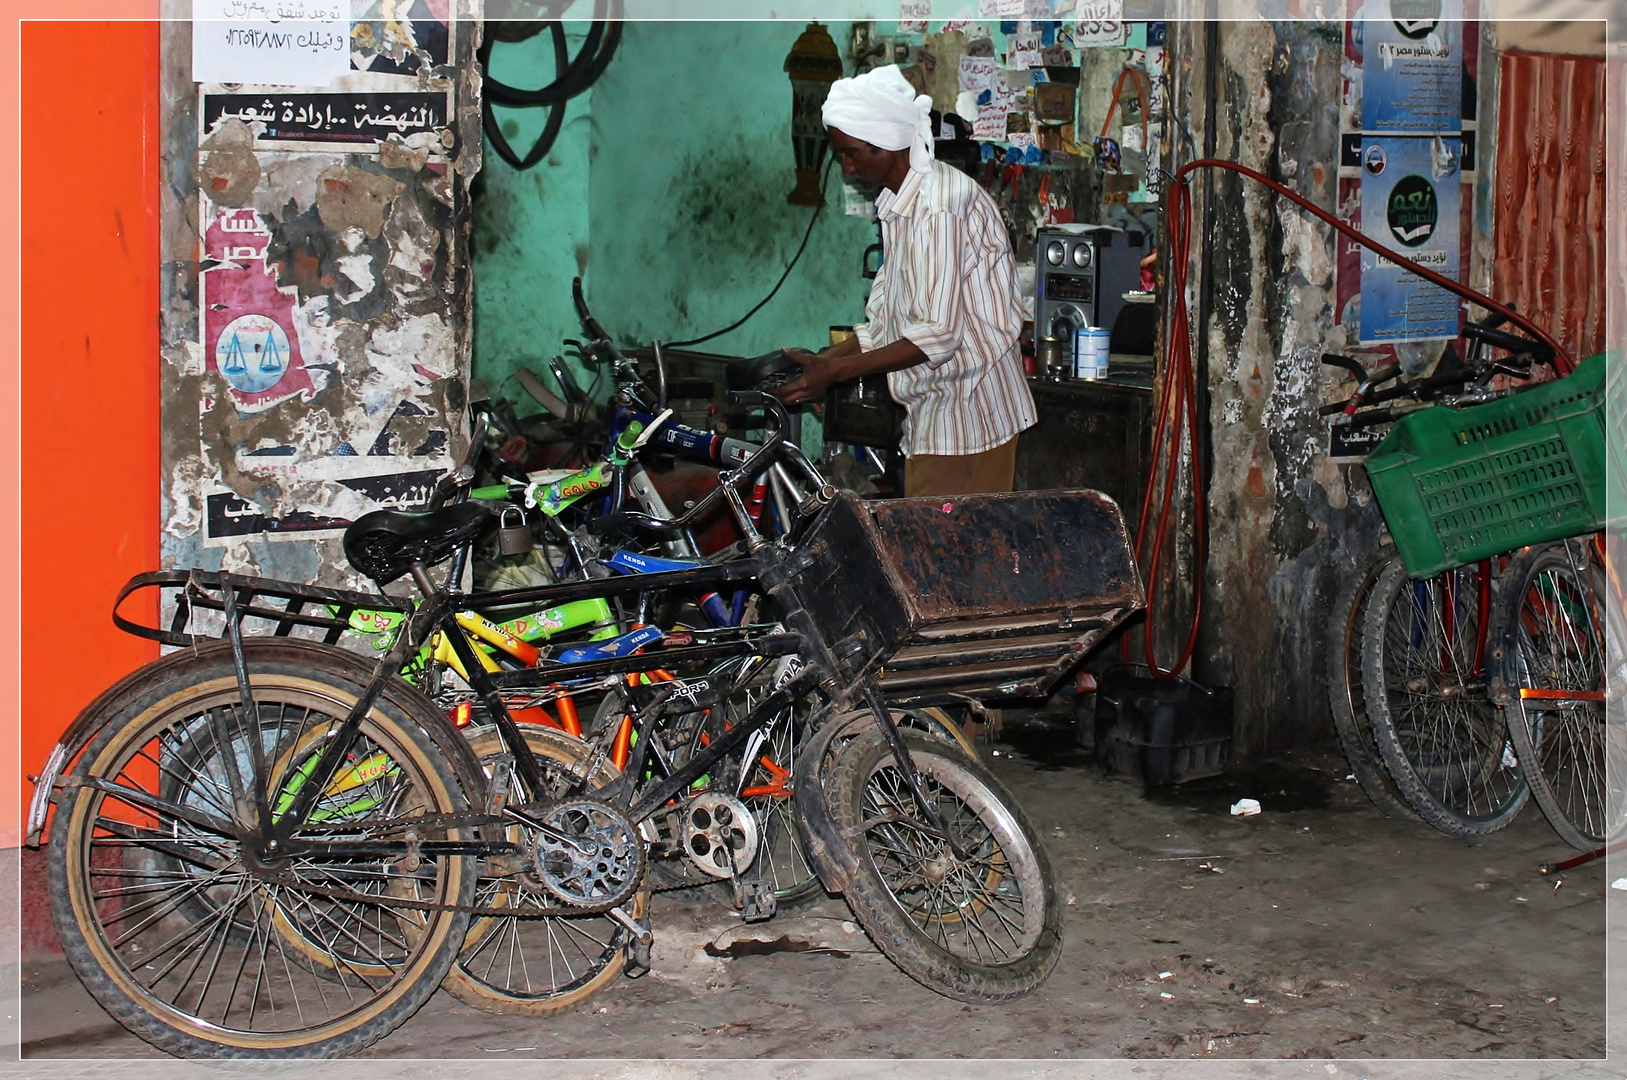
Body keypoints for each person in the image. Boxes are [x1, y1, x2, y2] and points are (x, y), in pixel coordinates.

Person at [772, 65, 1036, 498]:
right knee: (933, 556)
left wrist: (834, 371)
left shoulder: (940, 207)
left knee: (949, 560)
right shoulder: (900, 205)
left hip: (970, 416)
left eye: (852, 152)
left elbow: (937, 335)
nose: (846, 165)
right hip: (938, 413)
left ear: (888, 145)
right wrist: (820, 362)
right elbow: (885, 323)